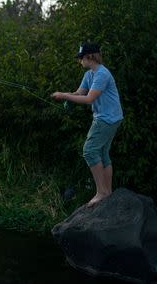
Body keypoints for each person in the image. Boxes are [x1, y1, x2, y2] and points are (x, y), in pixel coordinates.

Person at [51, 43, 123, 207]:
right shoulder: (89, 74)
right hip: (110, 117)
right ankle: (108, 192)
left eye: (81, 57)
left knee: (89, 151)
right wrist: (65, 96)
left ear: (90, 56)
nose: (79, 61)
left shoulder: (102, 74)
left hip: (107, 118)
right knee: (103, 153)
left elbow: (89, 99)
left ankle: (102, 192)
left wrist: (64, 96)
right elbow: (80, 93)